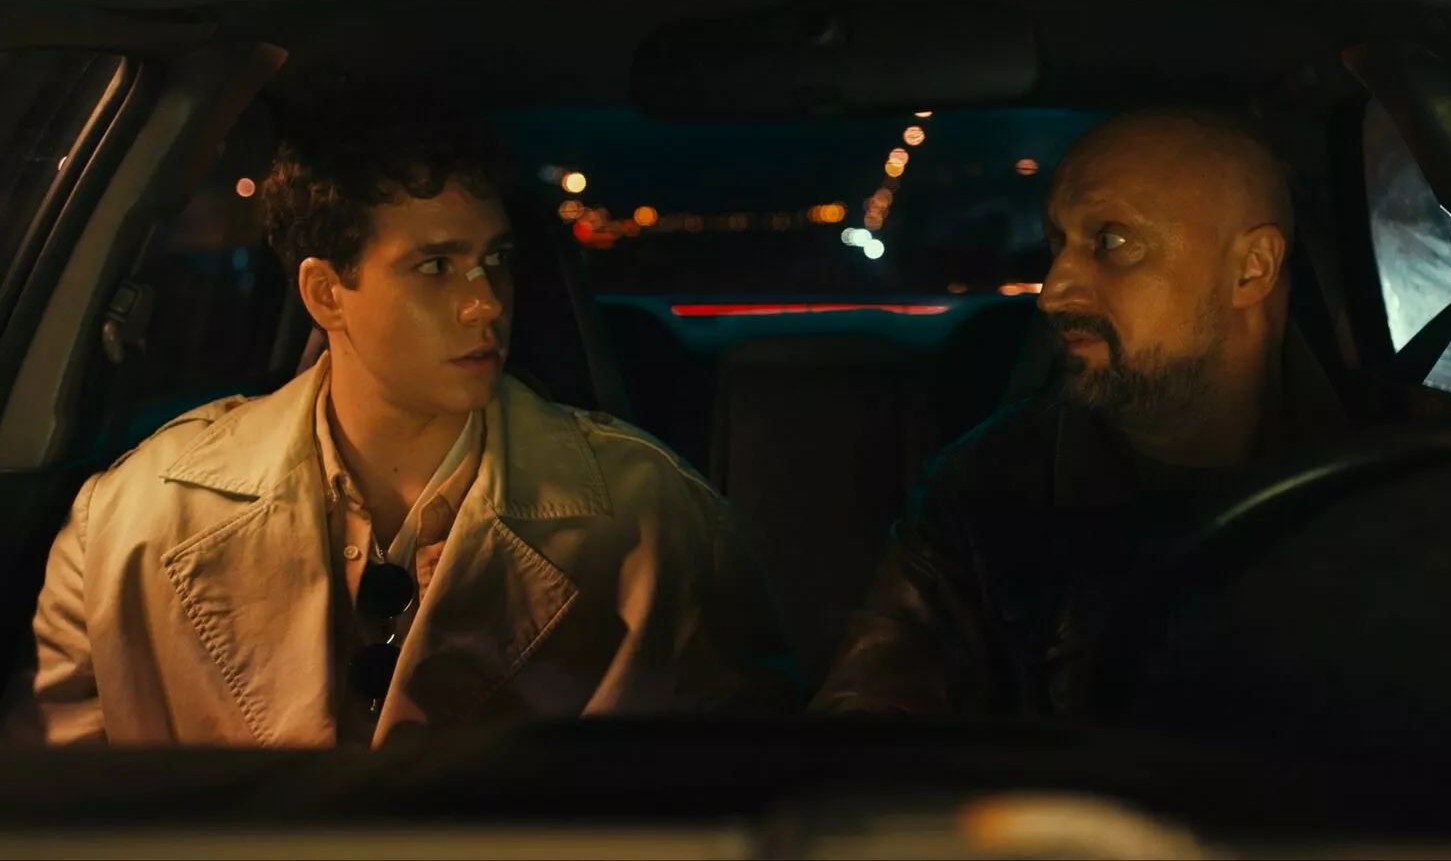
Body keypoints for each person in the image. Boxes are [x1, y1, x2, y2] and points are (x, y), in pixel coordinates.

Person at [4, 91, 794, 746]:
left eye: (496, 260)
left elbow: (752, 772)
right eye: (436, 266)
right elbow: (56, 803)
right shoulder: (133, 520)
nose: (486, 303)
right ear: (325, 293)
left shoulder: (656, 517)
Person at [812, 106, 1348, 716]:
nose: (1053, 291)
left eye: (1111, 242)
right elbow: (872, 721)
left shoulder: (1406, 464)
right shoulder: (983, 494)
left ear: (1252, 269)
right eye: (1056, 244)